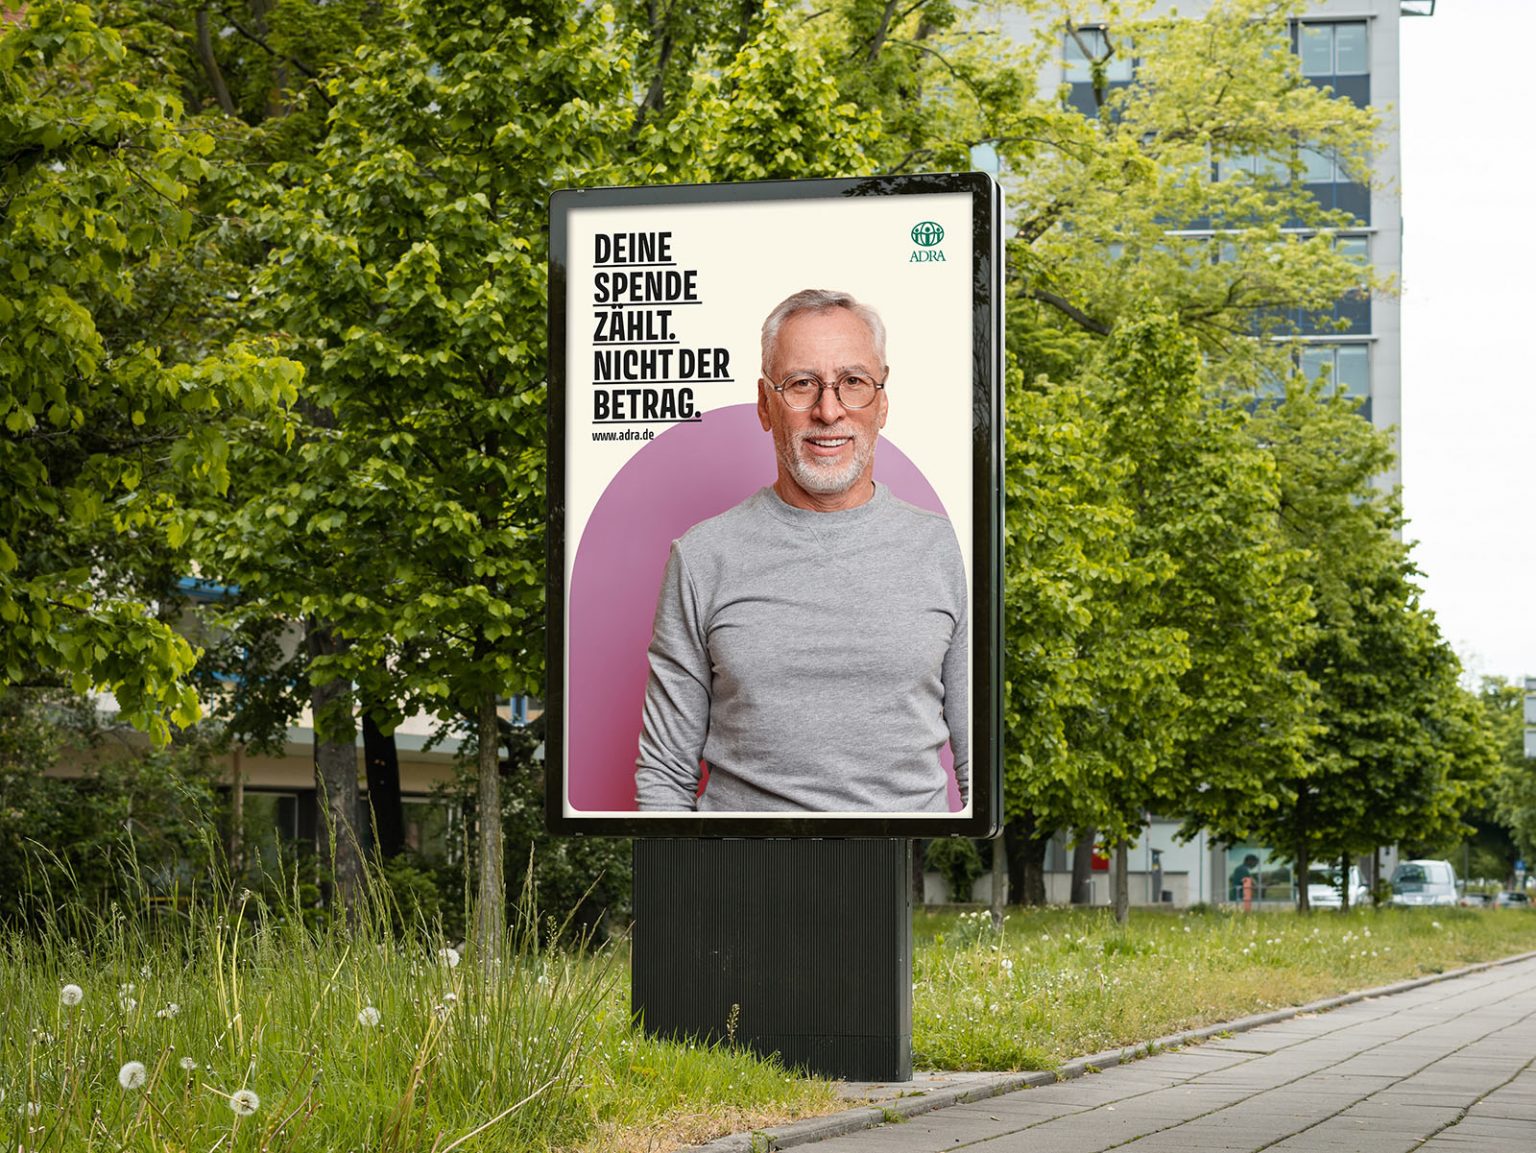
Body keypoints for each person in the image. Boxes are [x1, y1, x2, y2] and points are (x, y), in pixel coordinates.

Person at [633, 288, 968, 812]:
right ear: (766, 405)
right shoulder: (702, 557)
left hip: (899, 874)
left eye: (853, 383)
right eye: (801, 385)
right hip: (737, 878)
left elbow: (980, 767)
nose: (828, 411)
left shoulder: (949, 553)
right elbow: (664, 773)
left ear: (882, 403)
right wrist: (685, 889)